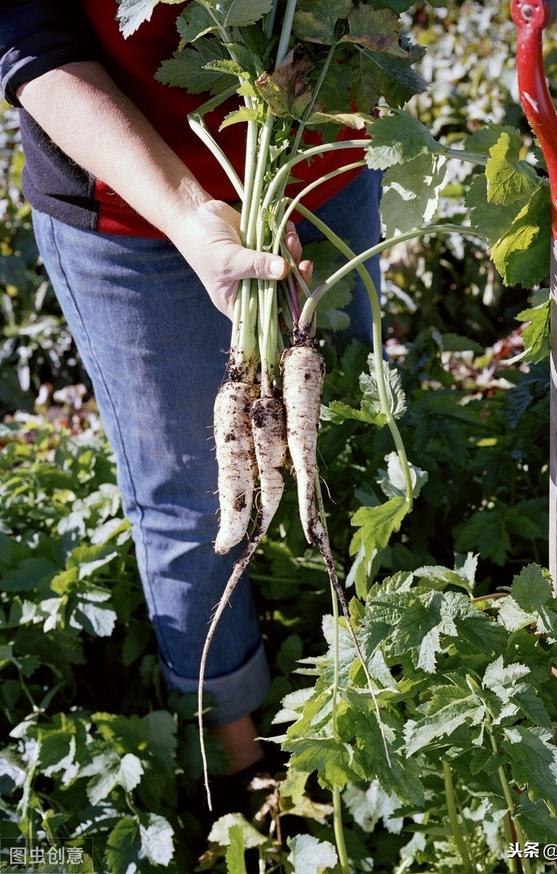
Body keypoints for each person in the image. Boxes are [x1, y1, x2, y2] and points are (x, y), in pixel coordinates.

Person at [0, 0, 381, 802]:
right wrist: (180, 211)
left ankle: (366, 691)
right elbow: (25, 32)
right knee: (192, 500)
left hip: (326, 165)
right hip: (131, 208)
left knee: (348, 442)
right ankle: (238, 770)